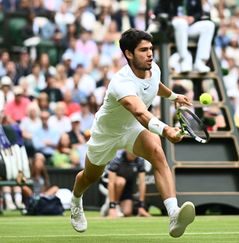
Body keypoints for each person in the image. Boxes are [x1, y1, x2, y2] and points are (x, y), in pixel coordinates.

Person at [70, 29, 195, 238]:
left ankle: (174, 214)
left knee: (157, 153)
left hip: (133, 129)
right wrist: (165, 129)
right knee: (90, 176)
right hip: (107, 133)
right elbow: (139, 111)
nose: (150, 54)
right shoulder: (121, 83)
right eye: (143, 50)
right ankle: (75, 201)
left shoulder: (153, 68)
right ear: (129, 54)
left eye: (151, 49)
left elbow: (155, 86)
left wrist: (173, 96)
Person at [155, 0, 215, 73]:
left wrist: (193, 18)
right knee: (181, 23)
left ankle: (200, 62)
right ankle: (185, 60)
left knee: (209, 25)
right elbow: (158, 11)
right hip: (172, 28)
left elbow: (199, 13)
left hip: (190, 27)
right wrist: (173, 17)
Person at [100, 150, 151, 218]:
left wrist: (141, 206)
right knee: (121, 181)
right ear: (126, 149)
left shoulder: (140, 160)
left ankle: (111, 208)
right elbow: (111, 183)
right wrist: (112, 207)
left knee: (127, 212)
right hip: (108, 183)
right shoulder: (117, 157)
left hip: (126, 185)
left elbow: (142, 183)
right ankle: (112, 206)